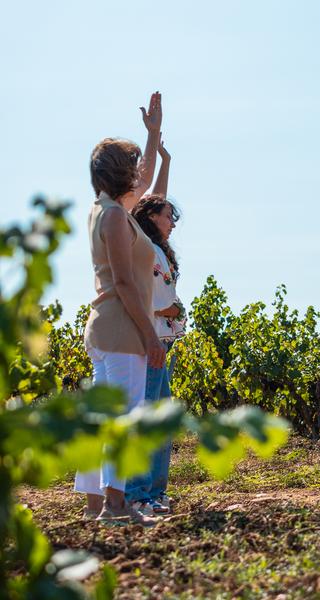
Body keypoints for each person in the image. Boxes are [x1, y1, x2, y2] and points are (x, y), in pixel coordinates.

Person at [74, 92, 166, 526]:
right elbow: (126, 283)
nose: (138, 171)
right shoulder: (114, 217)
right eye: (133, 163)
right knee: (125, 418)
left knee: (102, 418)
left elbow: (144, 186)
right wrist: (150, 336)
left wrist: (152, 137)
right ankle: (115, 505)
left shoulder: (109, 210)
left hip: (105, 329)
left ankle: (97, 505)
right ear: (120, 173)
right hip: (122, 328)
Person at [125, 139, 186, 516]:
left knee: (161, 422)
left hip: (165, 341)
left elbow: (157, 195)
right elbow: (148, 196)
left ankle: (155, 492)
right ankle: (140, 493)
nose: (172, 220)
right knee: (149, 420)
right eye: (167, 215)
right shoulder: (140, 243)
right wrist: (169, 307)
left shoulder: (160, 248)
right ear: (149, 217)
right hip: (150, 341)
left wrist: (167, 159)